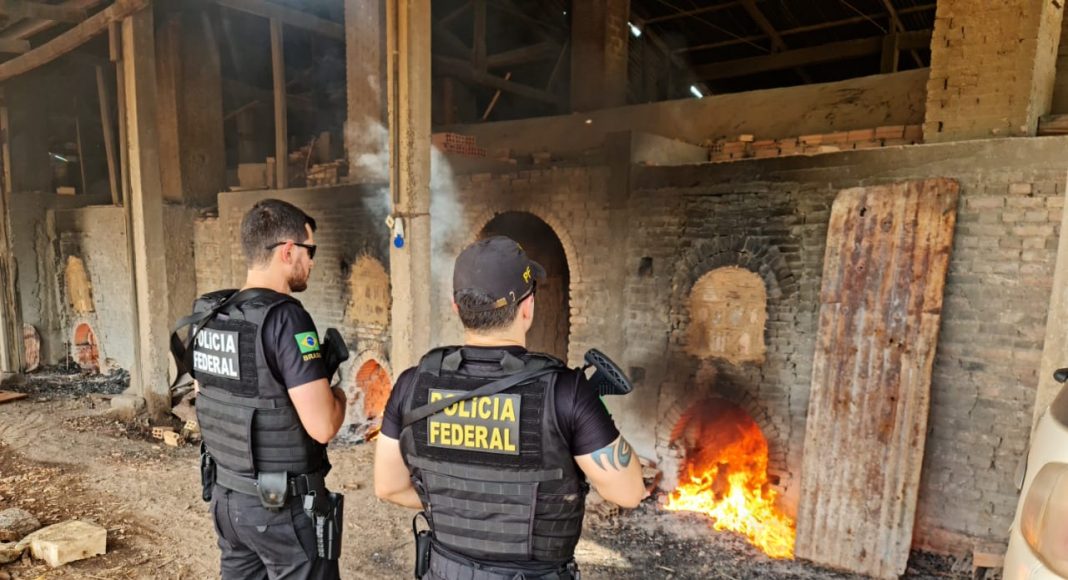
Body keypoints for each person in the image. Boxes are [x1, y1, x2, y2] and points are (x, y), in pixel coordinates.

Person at [374, 235, 646, 580]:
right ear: (527, 306)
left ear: (456, 307)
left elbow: (388, 487)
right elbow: (629, 492)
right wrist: (594, 412)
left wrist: (462, 505)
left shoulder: (412, 384)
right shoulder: (566, 391)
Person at [182, 199, 347, 580]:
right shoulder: (287, 318)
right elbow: (323, 426)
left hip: (227, 500)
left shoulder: (209, 313)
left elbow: (207, 392)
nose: (312, 262)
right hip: (280, 511)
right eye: (310, 251)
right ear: (288, 251)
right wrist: (340, 395)